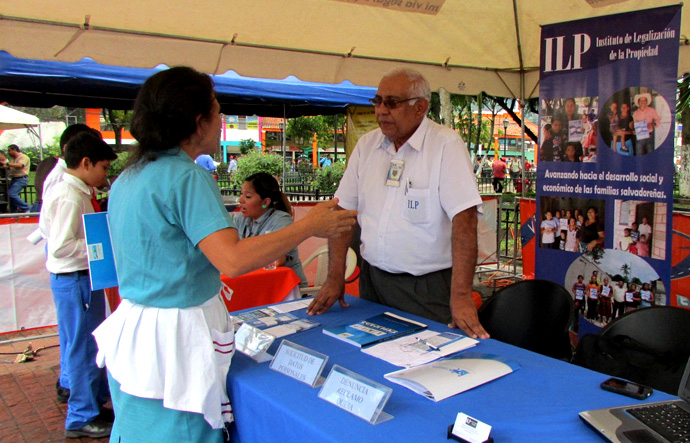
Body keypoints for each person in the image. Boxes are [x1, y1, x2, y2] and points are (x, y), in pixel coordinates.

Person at [92, 67, 356, 442]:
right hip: (176, 341)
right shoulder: (186, 178)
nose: (221, 122)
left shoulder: (129, 178)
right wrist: (307, 226)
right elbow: (230, 259)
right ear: (199, 123)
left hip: (137, 332)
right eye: (218, 112)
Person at [306, 68, 488, 339]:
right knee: (371, 360)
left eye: (391, 103)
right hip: (373, 282)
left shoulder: (444, 145)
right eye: (377, 101)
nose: (381, 110)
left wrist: (461, 295)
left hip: (425, 289)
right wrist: (334, 277)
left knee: (423, 368)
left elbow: (465, 219)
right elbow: (342, 212)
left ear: (420, 108)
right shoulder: (367, 146)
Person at [39, 131, 118, 438]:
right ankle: (81, 415)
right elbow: (59, 247)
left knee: (91, 342)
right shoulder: (68, 196)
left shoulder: (76, 191)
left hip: (85, 278)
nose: (105, 175)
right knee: (82, 347)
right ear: (86, 163)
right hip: (75, 279)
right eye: (103, 168)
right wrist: (99, 252)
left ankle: (94, 403)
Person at [233, 172, 307, 286]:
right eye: (241, 194)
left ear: (265, 202)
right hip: (254, 283)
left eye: (247, 196)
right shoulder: (241, 219)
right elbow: (231, 249)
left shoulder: (281, 220)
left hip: (285, 289)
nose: (240, 200)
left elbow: (277, 260)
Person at [2, 144, 31, 213]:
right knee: (10, 198)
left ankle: (27, 207)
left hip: (21, 179)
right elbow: (11, 167)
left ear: (14, 150)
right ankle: (13, 213)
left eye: (9, 150)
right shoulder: (12, 159)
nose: (8, 152)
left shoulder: (23, 157)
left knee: (12, 194)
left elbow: (20, 165)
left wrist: (7, 164)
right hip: (14, 178)